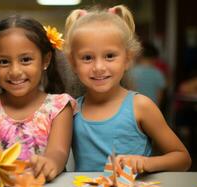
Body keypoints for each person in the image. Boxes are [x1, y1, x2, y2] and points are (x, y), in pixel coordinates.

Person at [64, 5, 191, 173]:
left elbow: (183, 158)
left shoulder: (140, 106)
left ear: (128, 59)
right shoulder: (71, 109)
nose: (99, 67)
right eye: (87, 58)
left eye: (109, 56)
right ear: (73, 63)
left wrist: (146, 163)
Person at [0, 15, 77, 181]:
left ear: (45, 60)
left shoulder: (59, 106)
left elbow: (58, 152)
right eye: (4, 61)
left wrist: (51, 162)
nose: (15, 71)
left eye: (25, 60)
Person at [129, 41, 166, 106]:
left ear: (139, 56)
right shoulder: (158, 73)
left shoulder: (131, 72)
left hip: (134, 107)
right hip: (151, 108)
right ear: (155, 58)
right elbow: (159, 96)